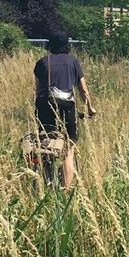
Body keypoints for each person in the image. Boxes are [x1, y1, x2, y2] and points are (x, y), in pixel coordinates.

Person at [34, 32, 95, 190]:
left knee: (46, 146)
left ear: (50, 44)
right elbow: (83, 89)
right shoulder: (72, 61)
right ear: (67, 45)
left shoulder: (42, 62)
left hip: (45, 105)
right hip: (67, 106)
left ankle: (48, 185)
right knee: (69, 149)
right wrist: (90, 108)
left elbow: (38, 90)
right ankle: (65, 190)